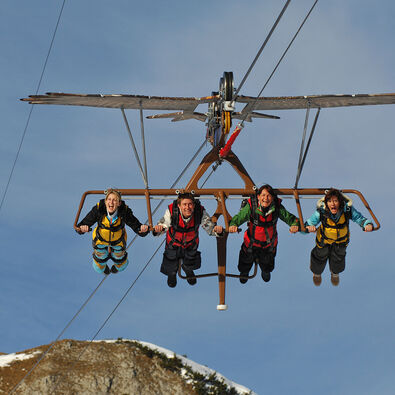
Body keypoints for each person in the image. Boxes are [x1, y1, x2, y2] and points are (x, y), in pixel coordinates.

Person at [229, 184, 299, 283]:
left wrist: (294, 225)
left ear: (272, 198)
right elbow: (239, 217)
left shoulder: (277, 208)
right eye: (263, 195)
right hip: (251, 243)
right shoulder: (252, 206)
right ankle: (244, 272)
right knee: (245, 259)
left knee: (267, 262)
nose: (265, 199)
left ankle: (265, 270)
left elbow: (290, 218)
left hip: (268, 244)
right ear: (258, 197)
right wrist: (233, 225)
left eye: (268, 196)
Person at [305, 188, 373, 286]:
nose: (332, 204)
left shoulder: (347, 210)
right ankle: (317, 273)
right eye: (329, 201)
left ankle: (335, 273)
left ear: (340, 202)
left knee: (338, 257)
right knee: (320, 255)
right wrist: (308, 228)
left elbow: (358, 218)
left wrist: (366, 224)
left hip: (341, 240)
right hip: (324, 239)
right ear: (326, 203)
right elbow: (309, 223)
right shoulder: (321, 212)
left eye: (335, 201)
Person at [153, 193, 223, 288]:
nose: (187, 207)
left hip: (191, 242)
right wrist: (159, 229)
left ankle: (187, 269)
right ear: (179, 206)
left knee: (191, 258)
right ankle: (172, 273)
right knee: (170, 258)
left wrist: (216, 230)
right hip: (174, 241)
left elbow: (208, 226)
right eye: (184, 204)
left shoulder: (199, 212)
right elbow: (165, 223)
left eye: (190, 204)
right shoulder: (172, 211)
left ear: (194, 205)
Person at [76, 188, 149, 275]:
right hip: (101, 239)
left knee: (120, 259)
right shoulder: (99, 210)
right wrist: (82, 228)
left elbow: (136, 225)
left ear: (119, 203)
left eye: (114, 200)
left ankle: (118, 266)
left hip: (118, 241)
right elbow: (83, 224)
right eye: (109, 199)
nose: (111, 202)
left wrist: (142, 229)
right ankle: (102, 268)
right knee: (99, 258)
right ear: (106, 201)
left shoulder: (124, 212)